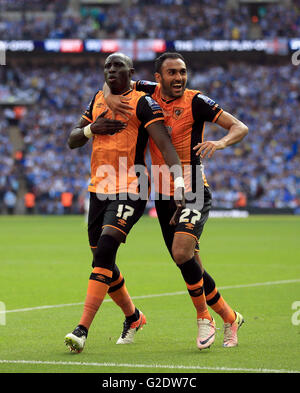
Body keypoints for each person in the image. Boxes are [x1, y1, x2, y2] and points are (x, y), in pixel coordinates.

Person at [64, 52, 213, 354]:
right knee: (101, 260)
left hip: (132, 187)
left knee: (106, 249)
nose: (111, 70)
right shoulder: (97, 99)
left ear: (130, 72)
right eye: (107, 66)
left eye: (117, 66)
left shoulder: (144, 102)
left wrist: (182, 183)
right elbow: (72, 139)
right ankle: (133, 317)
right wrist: (93, 128)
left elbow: (164, 144)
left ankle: (81, 329)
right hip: (99, 188)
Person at [105, 52, 248, 348]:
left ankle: (203, 318)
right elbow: (115, 81)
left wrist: (219, 143)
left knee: (182, 253)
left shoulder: (197, 101)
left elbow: (240, 127)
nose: (179, 78)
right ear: (159, 77)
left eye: (182, 72)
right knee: (189, 263)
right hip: (164, 194)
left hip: (193, 188)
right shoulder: (147, 92)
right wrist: (108, 97)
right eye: (172, 72)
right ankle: (231, 318)